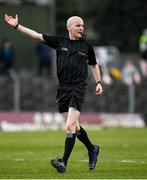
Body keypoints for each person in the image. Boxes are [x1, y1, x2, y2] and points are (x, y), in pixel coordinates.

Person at [4, 14, 103, 173]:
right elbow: (35, 35)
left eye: (82, 26)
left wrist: (99, 83)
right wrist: (17, 26)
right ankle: (92, 148)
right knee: (75, 127)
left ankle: (63, 162)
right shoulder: (60, 42)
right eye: (78, 25)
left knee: (70, 125)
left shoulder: (87, 46)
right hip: (63, 87)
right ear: (69, 27)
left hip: (79, 86)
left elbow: (94, 65)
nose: (81, 28)